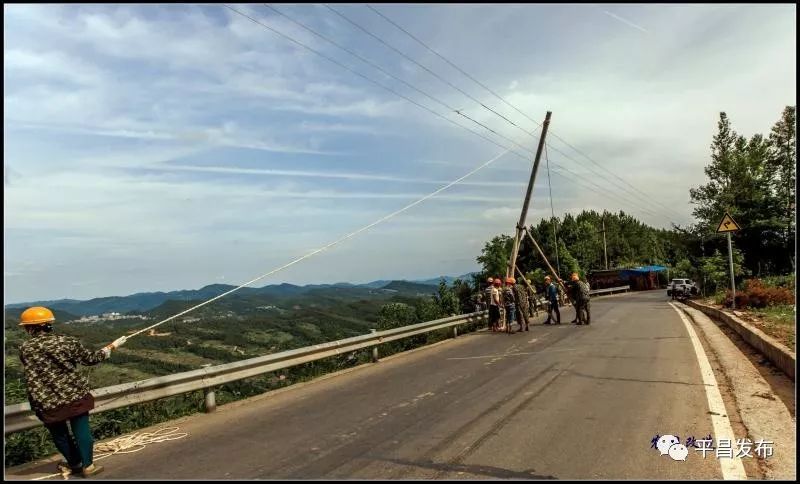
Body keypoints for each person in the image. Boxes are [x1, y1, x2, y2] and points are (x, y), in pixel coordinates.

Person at [17, 307, 126, 478]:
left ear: (29, 328)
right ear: (49, 325)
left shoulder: (25, 348)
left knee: (59, 434)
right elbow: (90, 359)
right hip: (73, 394)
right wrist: (111, 347)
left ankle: (74, 463)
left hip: (45, 400)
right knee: (81, 431)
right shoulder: (66, 342)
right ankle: (88, 466)